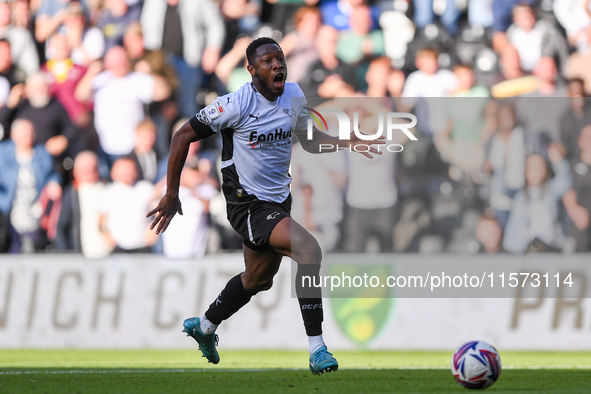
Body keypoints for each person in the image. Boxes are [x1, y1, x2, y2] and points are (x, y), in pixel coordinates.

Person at [147, 37, 381, 374]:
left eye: (280, 59)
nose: (277, 65)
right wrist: (172, 192)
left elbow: (309, 140)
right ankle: (318, 350)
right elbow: (183, 135)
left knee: (258, 280)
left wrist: (348, 142)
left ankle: (206, 325)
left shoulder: (294, 95)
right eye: (268, 61)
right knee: (309, 251)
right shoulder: (235, 104)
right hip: (246, 202)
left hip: (277, 201)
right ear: (251, 70)